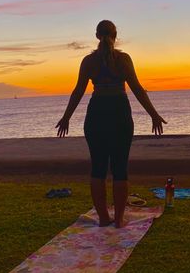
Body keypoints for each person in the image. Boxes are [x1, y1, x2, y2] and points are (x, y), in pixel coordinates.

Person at [56, 20, 166, 228]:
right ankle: (119, 219)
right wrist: (154, 114)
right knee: (120, 168)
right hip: (119, 113)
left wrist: (66, 117)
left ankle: (104, 218)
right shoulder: (123, 59)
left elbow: (78, 91)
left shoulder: (88, 61)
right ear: (115, 36)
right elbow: (137, 89)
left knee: (98, 168)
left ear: (97, 36)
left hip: (97, 114)